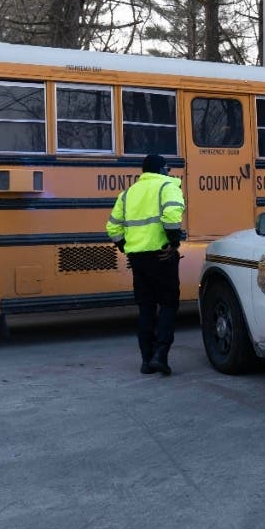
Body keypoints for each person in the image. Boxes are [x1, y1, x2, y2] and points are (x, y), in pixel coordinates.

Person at [106, 153, 186, 375]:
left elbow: (112, 227)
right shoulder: (167, 186)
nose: (169, 172)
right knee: (169, 304)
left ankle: (146, 360)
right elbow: (171, 217)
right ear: (161, 169)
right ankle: (161, 355)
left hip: (138, 259)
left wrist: (126, 247)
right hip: (162, 255)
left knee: (146, 307)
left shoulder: (127, 193)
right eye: (167, 169)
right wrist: (174, 242)